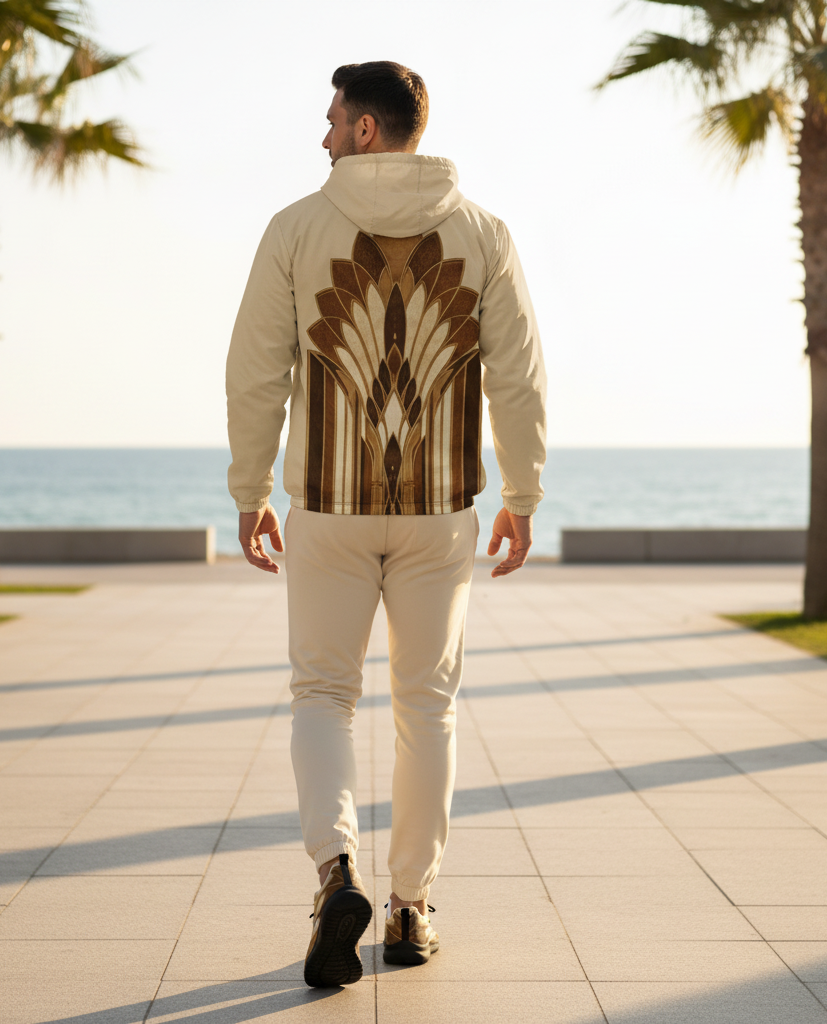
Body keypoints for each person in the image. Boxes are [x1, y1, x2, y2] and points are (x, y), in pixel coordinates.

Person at [226, 60, 546, 988]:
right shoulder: (484, 232)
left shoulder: (294, 229)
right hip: (438, 510)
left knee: (323, 695)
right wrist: (521, 494)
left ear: (368, 129)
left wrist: (250, 490)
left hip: (326, 505)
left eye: (333, 119)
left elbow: (258, 371)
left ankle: (337, 877)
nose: (323, 133)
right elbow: (519, 375)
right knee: (426, 705)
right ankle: (410, 907)